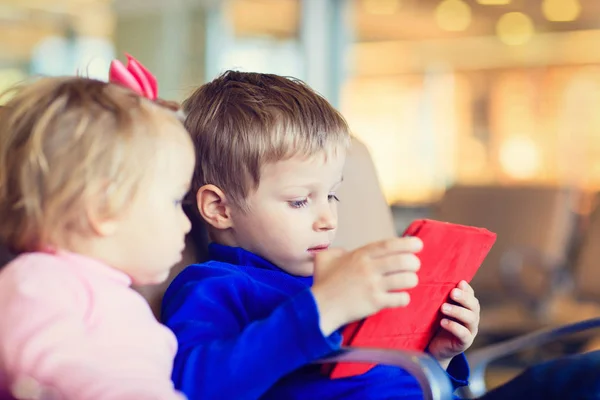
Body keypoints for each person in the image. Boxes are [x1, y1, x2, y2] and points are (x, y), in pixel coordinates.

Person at [161, 71, 481, 400]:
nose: (328, 219)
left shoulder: (339, 279)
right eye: (299, 200)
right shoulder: (214, 286)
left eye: (332, 196)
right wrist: (324, 307)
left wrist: (436, 355)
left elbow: (381, 377)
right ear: (220, 208)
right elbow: (192, 387)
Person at [0, 74, 194, 399]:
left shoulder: (114, 294)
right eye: (176, 201)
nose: (187, 224)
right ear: (103, 207)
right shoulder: (39, 280)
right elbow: (51, 370)